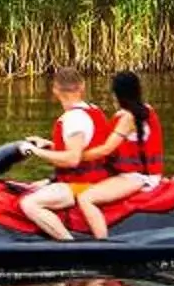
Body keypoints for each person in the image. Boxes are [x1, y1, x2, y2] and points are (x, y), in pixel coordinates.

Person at [14, 65, 115, 241]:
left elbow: (72, 160)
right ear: (82, 86)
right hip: (98, 179)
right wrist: (50, 145)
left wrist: (36, 151)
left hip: (81, 185)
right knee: (32, 185)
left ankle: (67, 243)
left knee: (29, 203)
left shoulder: (73, 119)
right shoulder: (93, 110)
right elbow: (84, 149)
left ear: (55, 90)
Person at [61, 71, 165, 238]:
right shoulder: (145, 110)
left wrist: (74, 157)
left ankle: (102, 245)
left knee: (86, 199)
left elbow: (106, 149)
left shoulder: (127, 118)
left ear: (117, 94)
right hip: (140, 174)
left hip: (138, 178)